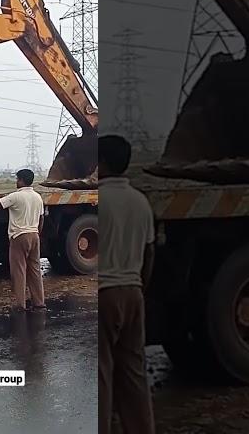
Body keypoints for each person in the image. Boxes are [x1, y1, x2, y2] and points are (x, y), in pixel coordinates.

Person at [98, 135, 156, 434]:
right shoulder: (141, 201)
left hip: (105, 294)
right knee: (135, 374)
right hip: (133, 292)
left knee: (103, 374)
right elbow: (149, 252)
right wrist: (139, 287)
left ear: (102, 163)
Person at [0, 169, 45, 311]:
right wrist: (38, 232)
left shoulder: (16, 197)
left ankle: (20, 304)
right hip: (34, 235)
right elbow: (41, 218)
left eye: (17, 179)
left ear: (21, 180)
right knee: (35, 270)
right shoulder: (38, 197)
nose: (16, 182)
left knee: (19, 271)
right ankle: (39, 302)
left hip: (19, 236)